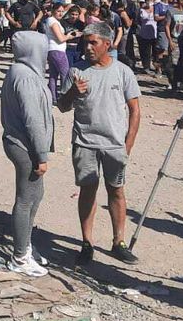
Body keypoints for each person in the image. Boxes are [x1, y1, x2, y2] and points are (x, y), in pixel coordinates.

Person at [58, 21, 142, 268]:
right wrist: (73, 92)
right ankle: (87, 243)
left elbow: (135, 110)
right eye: (85, 42)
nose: (88, 47)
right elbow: (63, 106)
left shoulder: (123, 72)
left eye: (93, 42)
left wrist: (128, 145)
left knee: (116, 190)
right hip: (85, 142)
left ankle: (119, 243)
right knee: (88, 190)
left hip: (115, 144)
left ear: (107, 44)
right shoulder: (76, 70)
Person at [1, 31, 55, 278]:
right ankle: (20, 257)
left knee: (36, 195)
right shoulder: (24, 77)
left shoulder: (23, 71)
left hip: (25, 144)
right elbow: (33, 119)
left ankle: (26, 246)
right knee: (26, 199)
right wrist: (41, 155)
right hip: (25, 146)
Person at [40, 1, 75, 103]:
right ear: (53, 11)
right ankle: (64, 98)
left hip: (52, 49)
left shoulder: (50, 20)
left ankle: (53, 97)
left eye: (62, 11)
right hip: (57, 50)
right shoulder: (53, 22)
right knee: (65, 74)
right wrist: (69, 36)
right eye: (58, 11)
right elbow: (60, 38)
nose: (60, 13)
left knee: (53, 75)